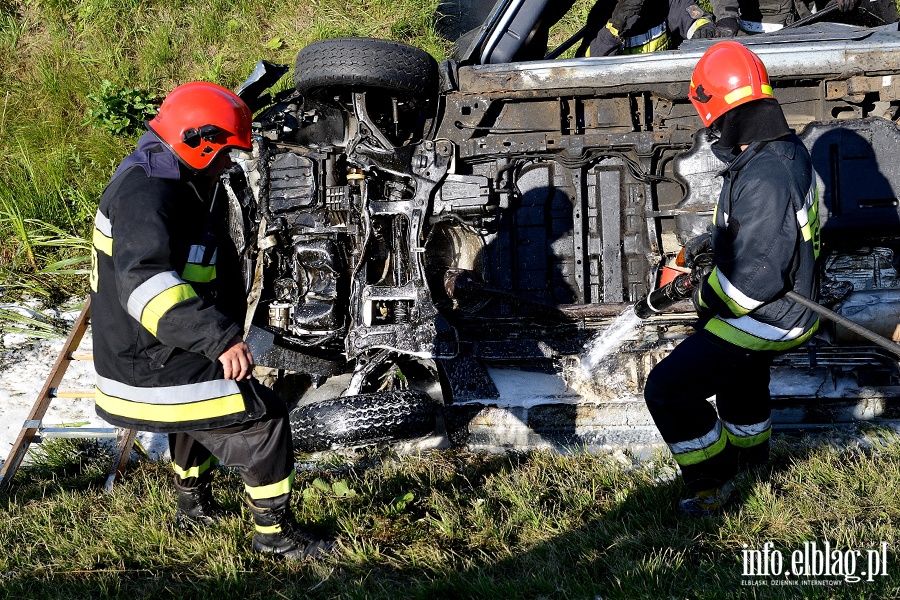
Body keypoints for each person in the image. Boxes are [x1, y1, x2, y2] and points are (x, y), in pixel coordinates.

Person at [90, 81, 334, 559]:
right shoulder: (148, 195)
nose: (227, 164)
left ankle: (192, 504)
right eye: (224, 152)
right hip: (153, 365)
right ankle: (275, 536)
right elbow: (146, 285)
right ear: (195, 140)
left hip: (145, 357)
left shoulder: (162, 172)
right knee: (264, 420)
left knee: (201, 412)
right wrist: (219, 339)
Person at [642, 41, 820, 516]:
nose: (713, 130)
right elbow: (761, 232)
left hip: (770, 314)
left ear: (721, 112)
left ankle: (712, 481)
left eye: (713, 120)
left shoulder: (765, 175)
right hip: (789, 305)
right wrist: (712, 242)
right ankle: (751, 463)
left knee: (668, 389)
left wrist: (700, 293)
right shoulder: (778, 151)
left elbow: (752, 284)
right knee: (741, 380)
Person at [578, 0, 718, 57]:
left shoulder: (665, 2)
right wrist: (615, 26)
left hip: (660, 82)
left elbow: (696, 20)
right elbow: (589, 65)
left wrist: (703, 32)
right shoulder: (601, 12)